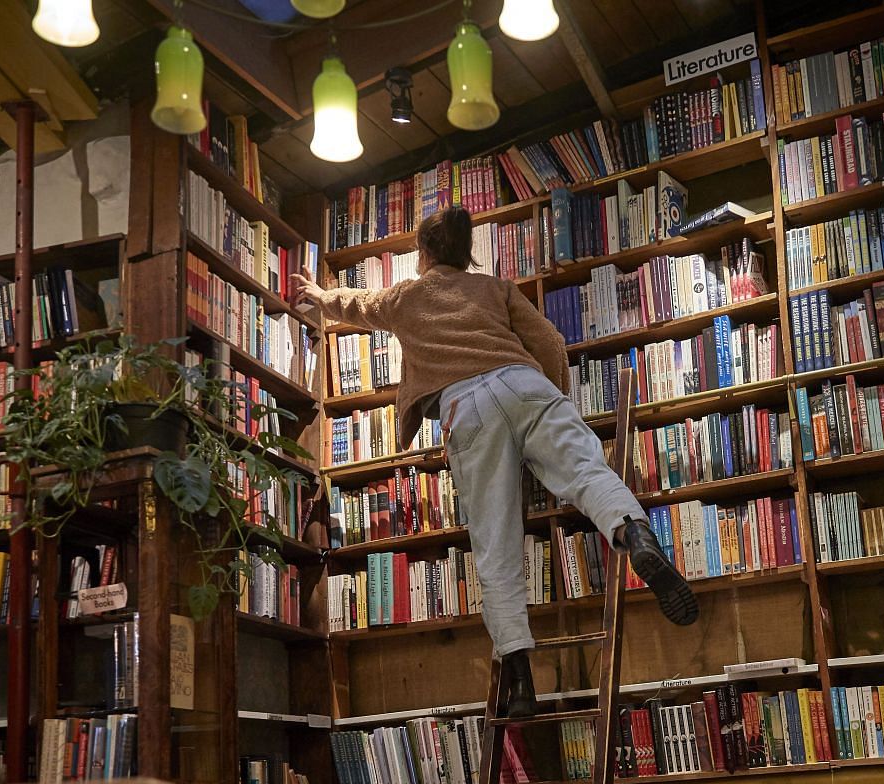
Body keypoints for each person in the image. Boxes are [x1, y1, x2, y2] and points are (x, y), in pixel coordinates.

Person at [296, 204, 697, 718]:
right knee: (587, 472)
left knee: (496, 544)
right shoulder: (496, 288)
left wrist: (319, 297)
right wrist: (553, 402)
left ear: (423, 253)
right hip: (526, 384)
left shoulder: (406, 295)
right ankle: (635, 534)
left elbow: (359, 305)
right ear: (468, 254)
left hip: (468, 407)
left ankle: (522, 681)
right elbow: (551, 341)